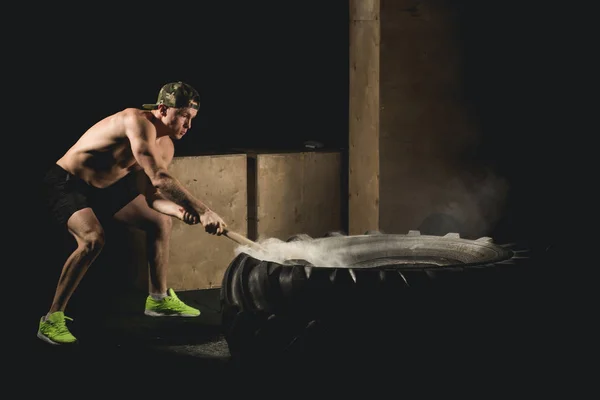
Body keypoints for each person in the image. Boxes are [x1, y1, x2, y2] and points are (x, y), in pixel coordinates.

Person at [38, 81, 227, 345]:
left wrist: (180, 211)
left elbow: (151, 195)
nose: (188, 126)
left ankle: (158, 299)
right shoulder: (136, 121)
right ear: (162, 109)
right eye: (184, 116)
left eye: (192, 118)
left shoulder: (166, 146)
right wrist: (204, 210)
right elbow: (160, 178)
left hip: (105, 189)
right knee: (93, 240)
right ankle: (51, 319)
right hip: (68, 183)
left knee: (160, 221)